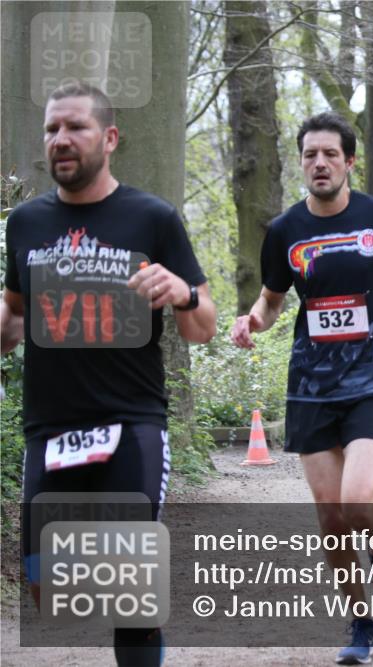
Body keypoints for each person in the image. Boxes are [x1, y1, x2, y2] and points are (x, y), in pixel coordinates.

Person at [1, 81, 217, 666]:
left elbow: (205, 325)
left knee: (131, 596)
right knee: (46, 586)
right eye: (51, 130)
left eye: (75, 127)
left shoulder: (151, 217)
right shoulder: (24, 224)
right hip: (50, 430)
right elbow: (13, 320)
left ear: (110, 138)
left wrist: (180, 293)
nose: (61, 140)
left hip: (131, 424)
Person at [230, 112, 373, 665]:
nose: (318, 163)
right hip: (311, 384)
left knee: (357, 497)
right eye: (308, 155)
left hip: (370, 378)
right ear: (301, 163)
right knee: (329, 514)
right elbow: (272, 301)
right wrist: (251, 320)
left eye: (329, 154)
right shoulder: (284, 231)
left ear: (349, 161)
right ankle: (361, 622)